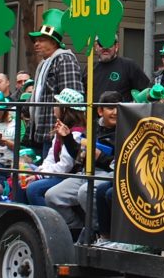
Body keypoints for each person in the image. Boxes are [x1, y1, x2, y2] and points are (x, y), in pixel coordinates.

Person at [45, 92, 123, 239]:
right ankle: (76, 229)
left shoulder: (126, 130)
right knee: (52, 196)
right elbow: (79, 155)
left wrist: (101, 157)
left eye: (118, 107)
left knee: (84, 192)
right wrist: (67, 137)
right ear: (100, 111)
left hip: (108, 174)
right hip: (86, 172)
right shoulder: (93, 128)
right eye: (110, 108)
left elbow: (123, 163)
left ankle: (97, 233)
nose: (115, 112)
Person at [23, 23, 83, 150]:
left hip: (57, 133)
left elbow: (71, 99)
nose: (36, 44)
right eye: (35, 41)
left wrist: (64, 132)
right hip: (42, 130)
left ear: (54, 42)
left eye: (41, 40)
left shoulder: (64, 59)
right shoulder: (44, 63)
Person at [94, 35, 150, 99]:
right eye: (101, 44)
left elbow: (146, 92)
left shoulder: (129, 66)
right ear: (96, 46)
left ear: (116, 46)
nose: (105, 48)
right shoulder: (89, 69)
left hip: (121, 109)